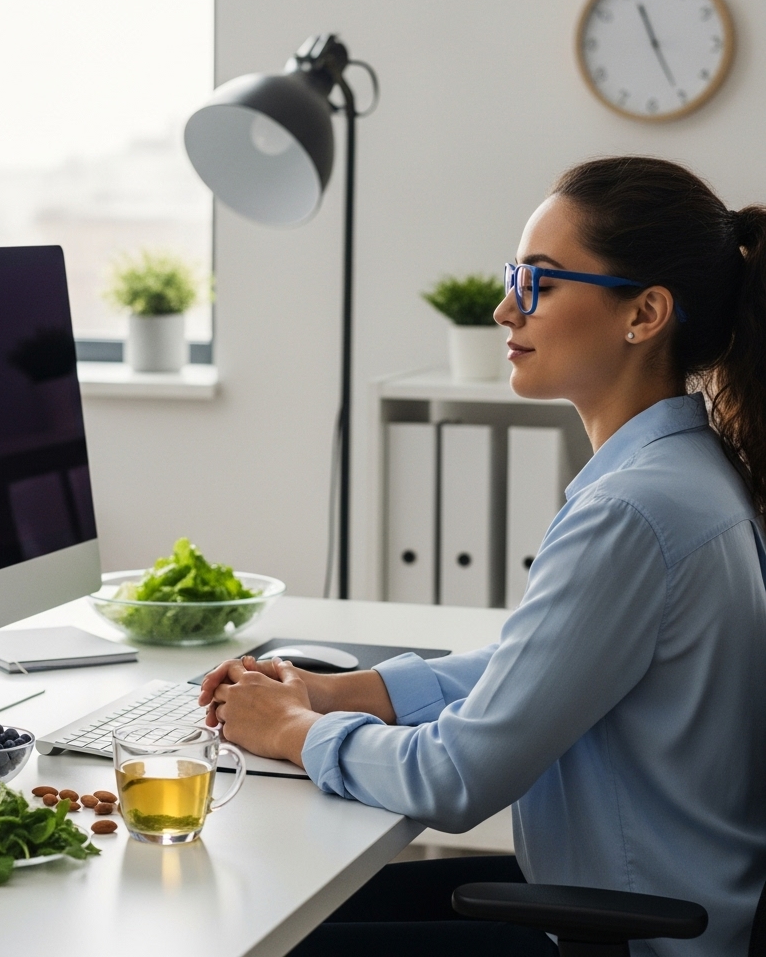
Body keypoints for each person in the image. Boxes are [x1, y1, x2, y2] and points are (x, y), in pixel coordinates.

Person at [198, 157, 766, 957]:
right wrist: (348, 691)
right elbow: (542, 664)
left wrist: (293, 731)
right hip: (629, 906)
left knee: (249, 928)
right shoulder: (685, 473)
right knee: (262, 903)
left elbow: (454, 780)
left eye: (538, 282)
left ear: (644, 314)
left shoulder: (634, 510)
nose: (505, 309)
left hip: (628, 935)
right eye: (513, 278)